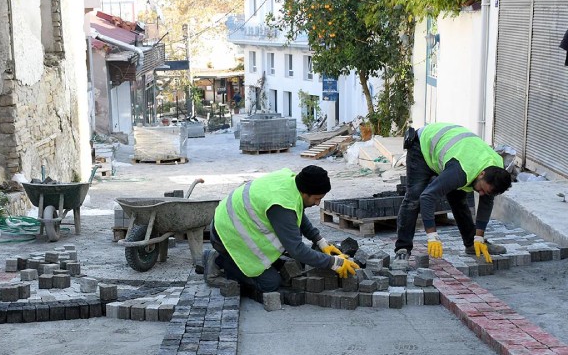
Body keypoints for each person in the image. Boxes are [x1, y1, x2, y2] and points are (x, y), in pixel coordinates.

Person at [202, 165, 358, 292]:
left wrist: (320, 240)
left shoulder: (292, 183)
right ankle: (219, 260)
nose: (318, 204)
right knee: (270, 284)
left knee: (290, 241)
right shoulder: (281, 206)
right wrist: (333, 263)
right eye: (316, 199)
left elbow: (297, 212)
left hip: (233, 223)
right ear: (304, 192)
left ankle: (229, 259)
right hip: (226, 236)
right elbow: (297, 250)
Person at [395, 123, 513, 264]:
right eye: (482, 189)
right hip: (423, 146)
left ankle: (471, 243)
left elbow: (486, 201)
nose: (481, 194)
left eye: (485, 192)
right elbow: (427, 197)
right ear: (481, 174)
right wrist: (432, 236)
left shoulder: (496, 172)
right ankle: (402, 249)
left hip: (453, 152)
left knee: (459, 200)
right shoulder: (461, 171)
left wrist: (479, 237)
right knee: (414, 198)